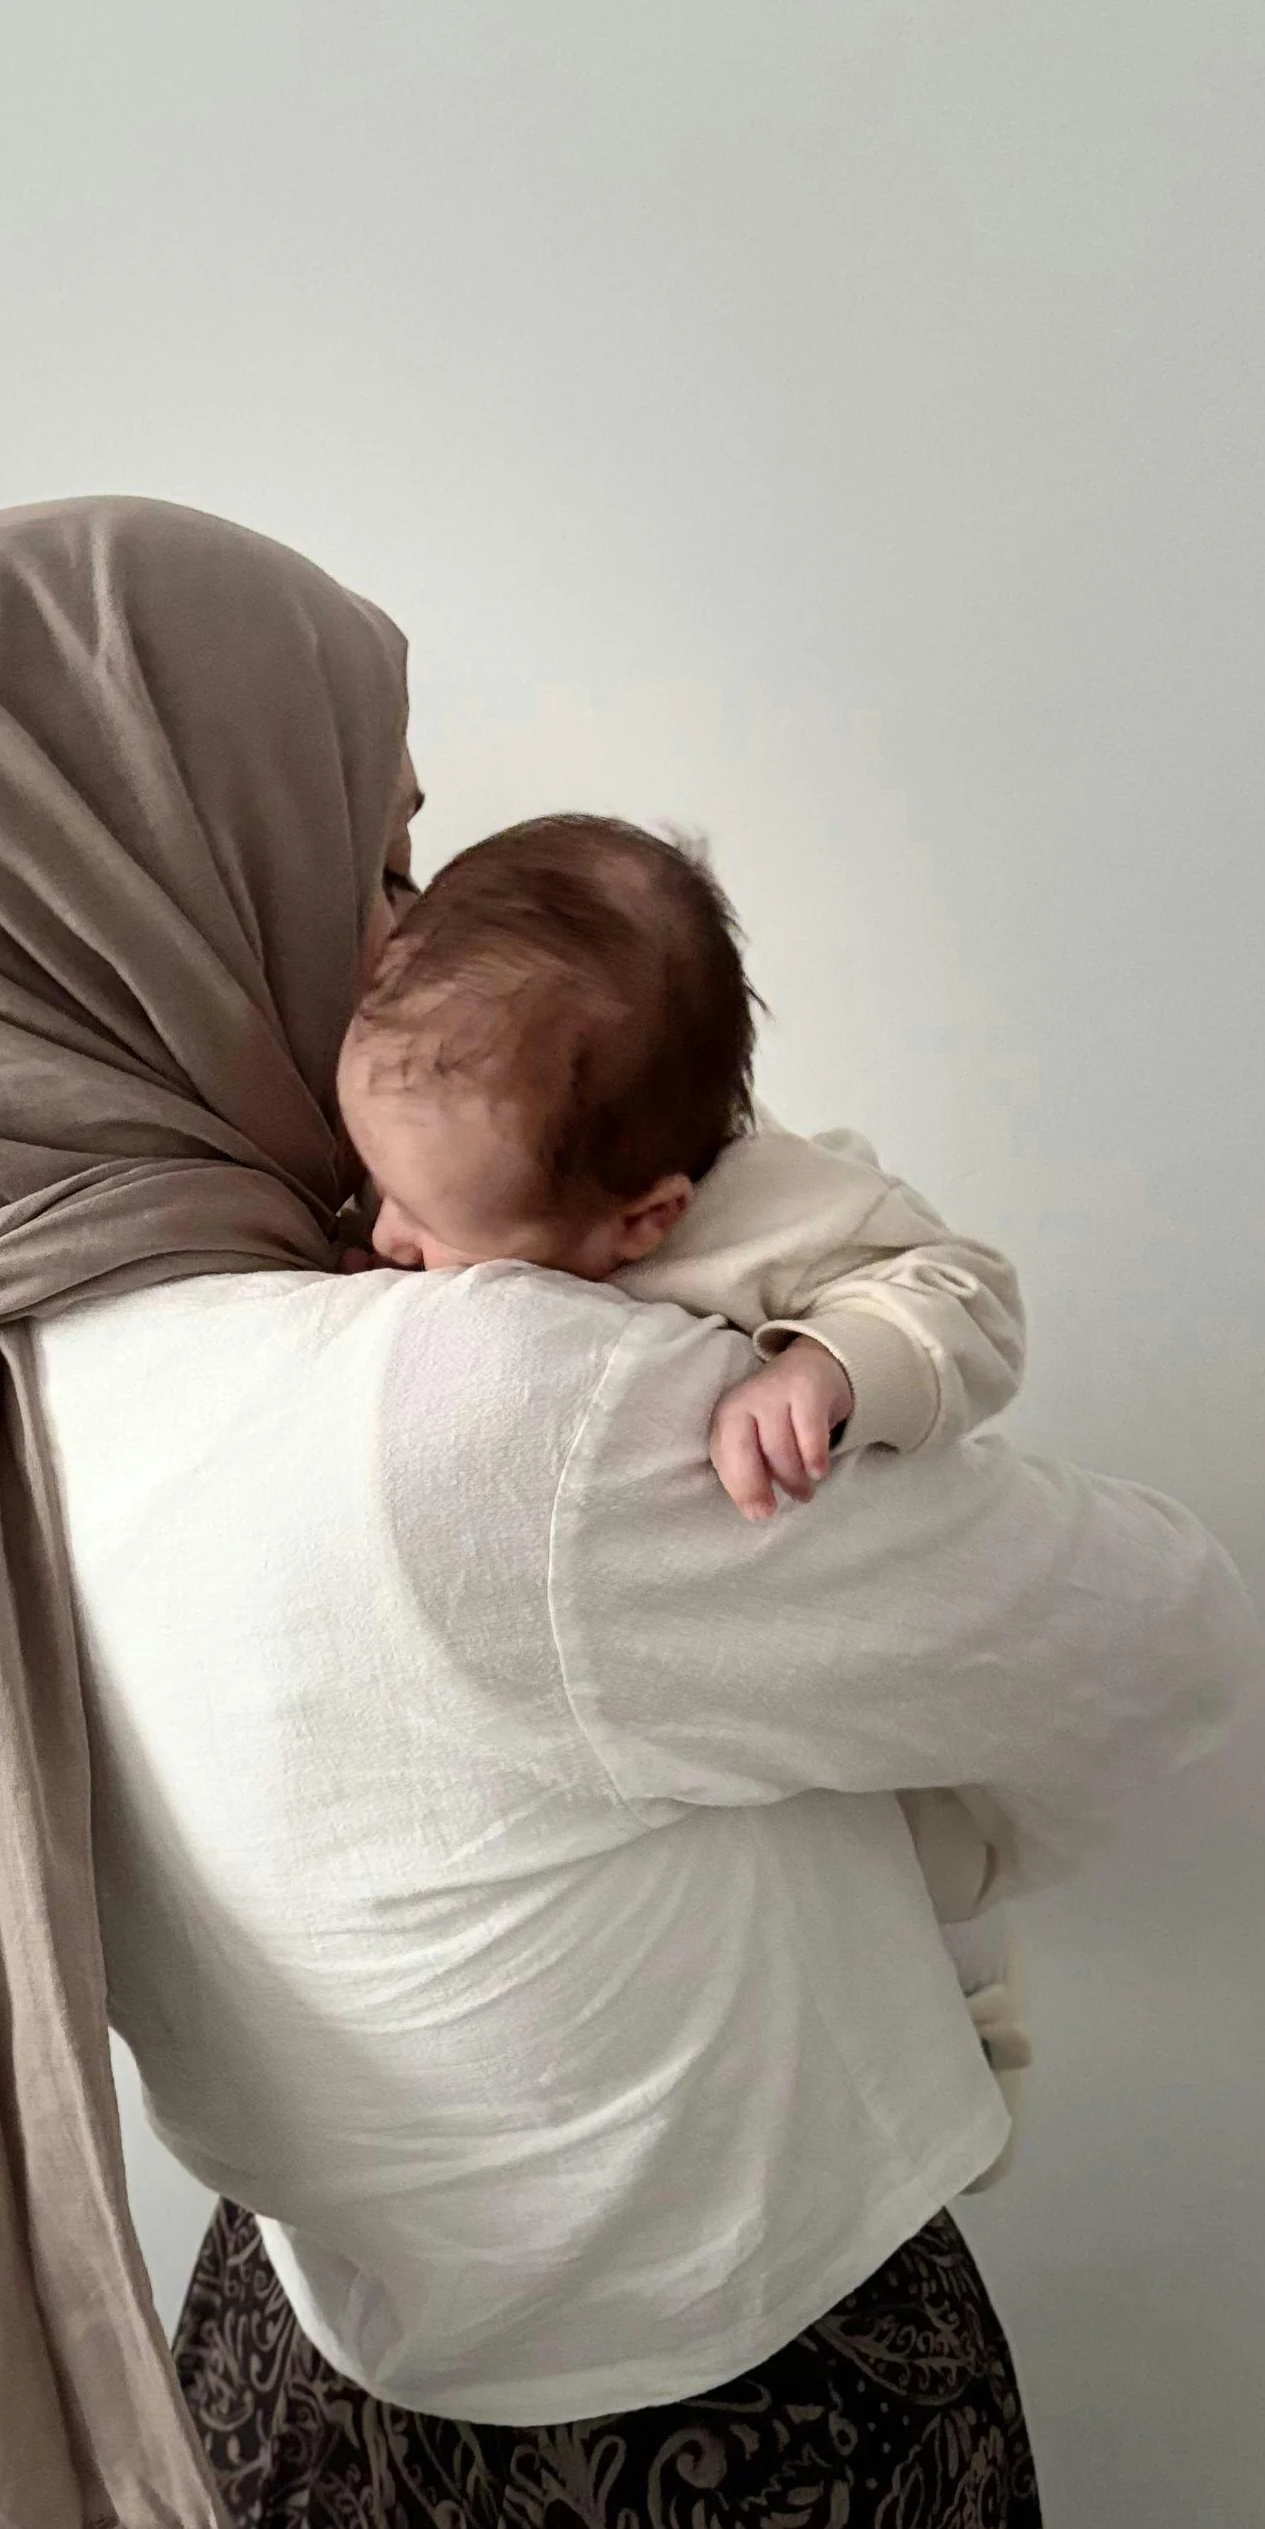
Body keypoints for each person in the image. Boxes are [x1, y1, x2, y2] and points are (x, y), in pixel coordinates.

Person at [0, 495, 1252, 2529]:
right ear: (122, 880)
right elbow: (1151, 1629)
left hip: (296, 2461)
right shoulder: (468, 1409)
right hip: (728, 2504)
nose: (406, 939)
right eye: (368, 856)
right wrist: (764, 1308)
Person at [337, 808, 1042, 2177]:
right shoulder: (490, 1162)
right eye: (376, 1187)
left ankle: (976, 2046)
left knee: (922, 1870)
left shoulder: (785, 1209)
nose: (384, 1235)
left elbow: (968, 1292)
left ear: (645, 1222)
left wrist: (833, 1363)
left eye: (426, 1219)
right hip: (680, 1698)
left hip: (853, 1662)